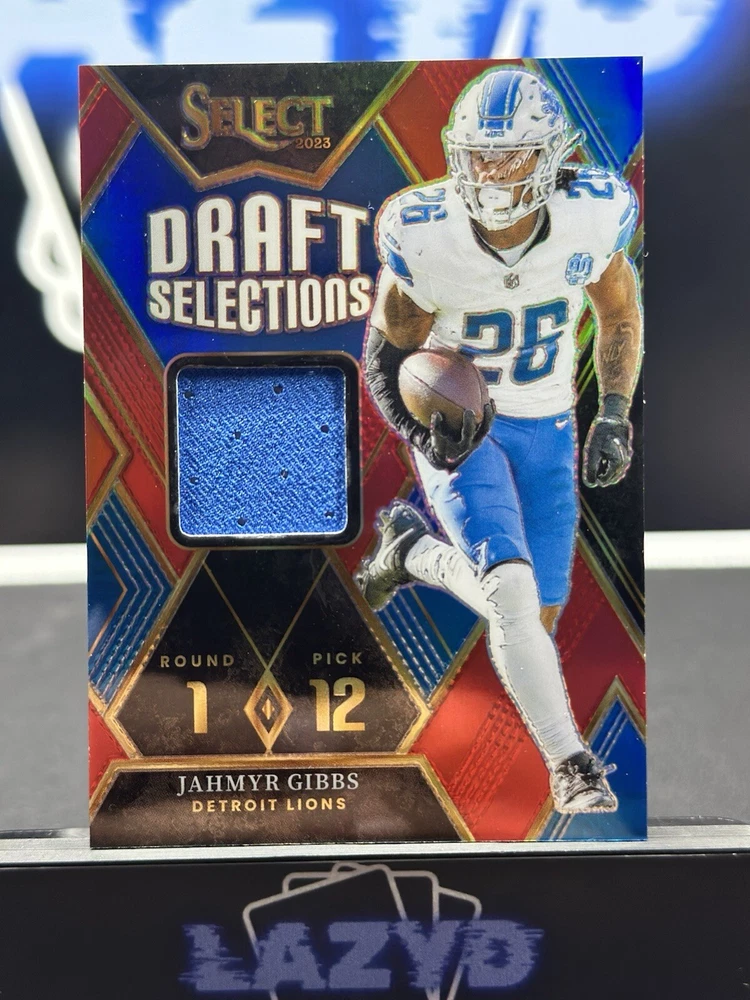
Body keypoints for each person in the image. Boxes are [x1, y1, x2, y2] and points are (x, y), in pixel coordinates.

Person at [356, 66, 642, 814]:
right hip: (464, 425)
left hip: (550, 425)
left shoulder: (591, 215)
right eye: (478, 155)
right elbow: (384, 356)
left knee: (532, 620)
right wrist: (423, 433)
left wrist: (614, 411)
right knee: (511, 597)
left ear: (550, 156)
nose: (489, 173)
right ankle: (572, 764)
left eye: (509, 154)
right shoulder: (426, 233)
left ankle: (413, 554)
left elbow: (617, 312)